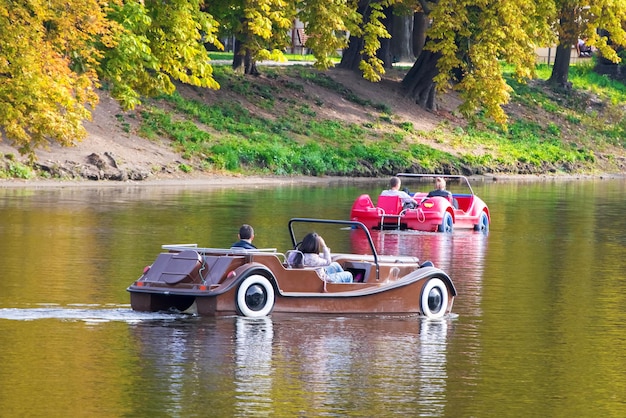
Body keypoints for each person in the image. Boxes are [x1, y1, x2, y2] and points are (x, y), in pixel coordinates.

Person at [288, 232, 353, 283]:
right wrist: (324, 245)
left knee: (335, 265)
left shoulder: (293, 254)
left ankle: (340, 284)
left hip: (304, 278)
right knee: (349, 275)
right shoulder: (313, 259)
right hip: (320, 280)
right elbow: (328, 262)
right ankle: (346, 289)